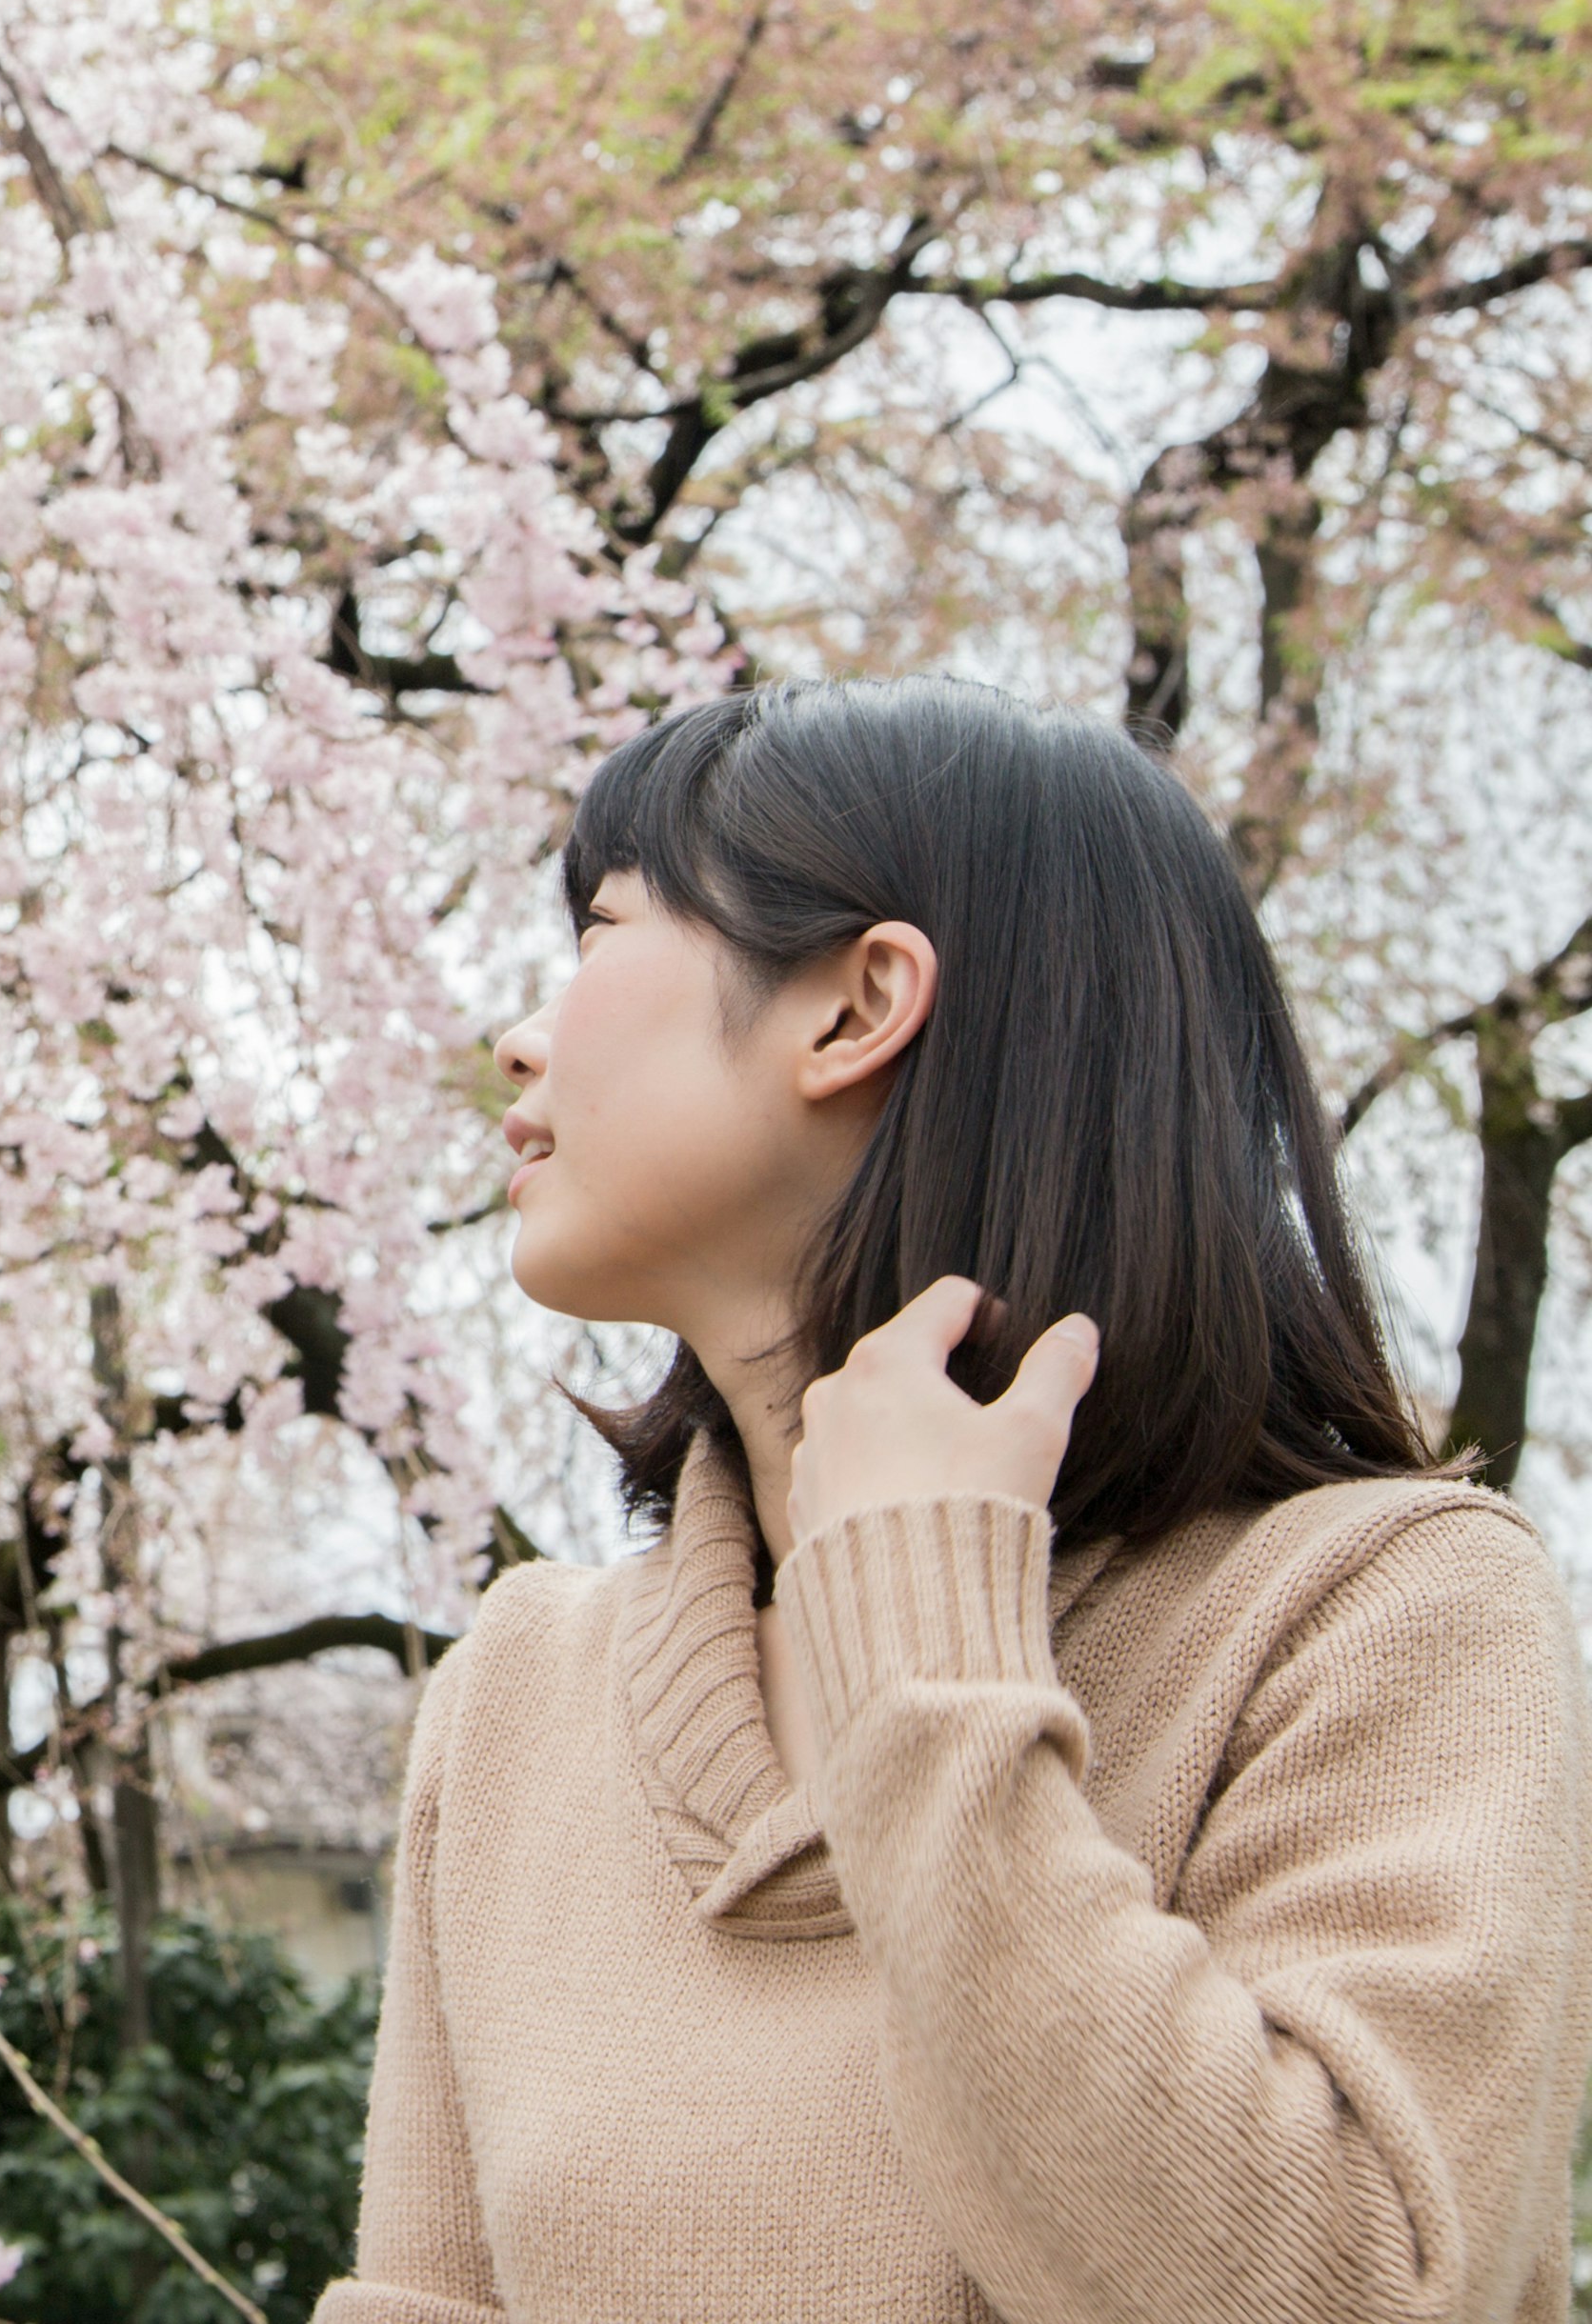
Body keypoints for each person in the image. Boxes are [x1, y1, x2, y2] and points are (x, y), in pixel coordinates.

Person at [313, 678, 1592, 2324]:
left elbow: (1354, 2289)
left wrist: (923, 1650)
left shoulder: (1388, 1613)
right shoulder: (519, 1694)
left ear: (856, 1009)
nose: (521, 1036)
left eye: (603, 930)